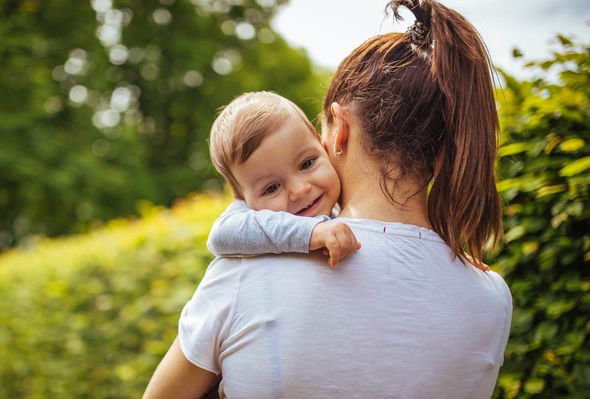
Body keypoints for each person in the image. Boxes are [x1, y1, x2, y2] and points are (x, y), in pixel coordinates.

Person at [144, 0, 512, 397]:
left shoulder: (246, 273)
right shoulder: (491, 298)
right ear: (442, 157)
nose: (299, 190)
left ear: (339, 129)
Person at [205, 91, 361, 268]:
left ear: (323, 146)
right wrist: (309, 233)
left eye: (307, 164)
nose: (299, 190)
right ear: (242, 198)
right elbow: (220, 236)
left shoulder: (345, 207)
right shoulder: (242, 218)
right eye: (271, 188)